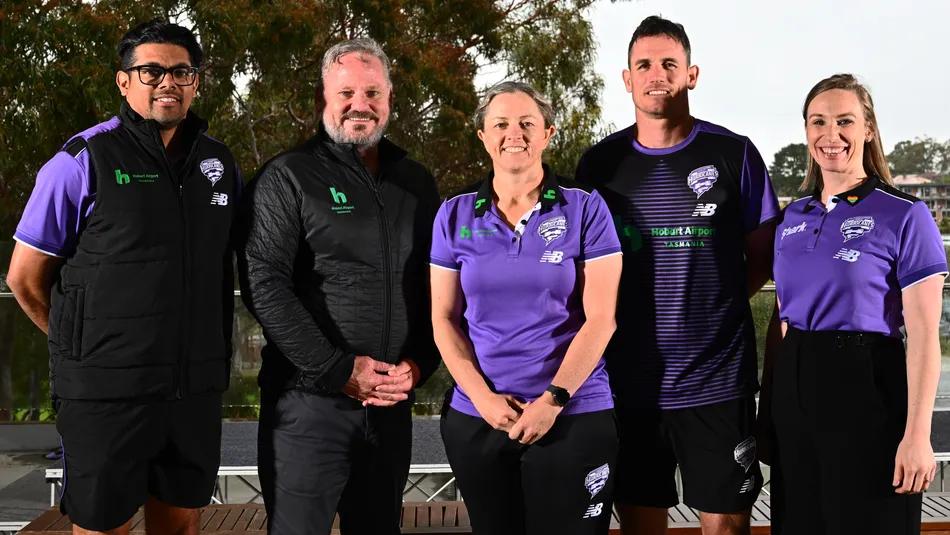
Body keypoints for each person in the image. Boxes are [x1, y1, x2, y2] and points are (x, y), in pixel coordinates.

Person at [6, 18, 241, 535]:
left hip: (193, 391)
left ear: (195, 82)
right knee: (102, 527)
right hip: (105, 395)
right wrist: (80, 346)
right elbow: (24, 277)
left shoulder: (219, 163)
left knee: (180, 525)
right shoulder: (82, 160)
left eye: (181, 72)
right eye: (151, 71)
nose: (167, 82)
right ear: (124, 80)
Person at [575, 15, 780, 535]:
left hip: (718, 382)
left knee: (726, 527)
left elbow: (763, 256)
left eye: (670, 63)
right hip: (628, 383)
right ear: (627, 79)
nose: (657, 74)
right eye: (644, 64)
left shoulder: (734, 153)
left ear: (691, 74)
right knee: (641, 526)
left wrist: (714, 307)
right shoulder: (599, 165)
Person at [236, 38, 441, 535]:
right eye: (346, 92)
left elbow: (435, 285)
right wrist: (336, 369)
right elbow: (264, 283)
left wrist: (419, 365)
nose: (359, 104)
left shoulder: (416, 182)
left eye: (373, 93)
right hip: (307, 405)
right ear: (321, 99)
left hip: (390, 407)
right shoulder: (288, 176)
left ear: (389, 99)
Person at [431, 81, 623, 535]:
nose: (513, 134)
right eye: (500, 124)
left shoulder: (586, 207)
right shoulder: (454, 213)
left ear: (548, 133)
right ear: (483, 136)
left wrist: (553, 400)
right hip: (480, 419)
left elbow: (602, 319)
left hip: (572, 414)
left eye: (526, 123)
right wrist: (482, 399)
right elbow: (443, 318)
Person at [764, 73, 946, 535]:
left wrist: (918, 435)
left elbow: (924, 335)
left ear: (868, 129)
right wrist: (771, 411)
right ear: (806, 131)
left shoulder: (905, 214)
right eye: (818, 121)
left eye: (845, 121)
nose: (831, 134)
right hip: (795, 390)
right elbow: (782, 319)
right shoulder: (791, 218)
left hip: (868, 388)